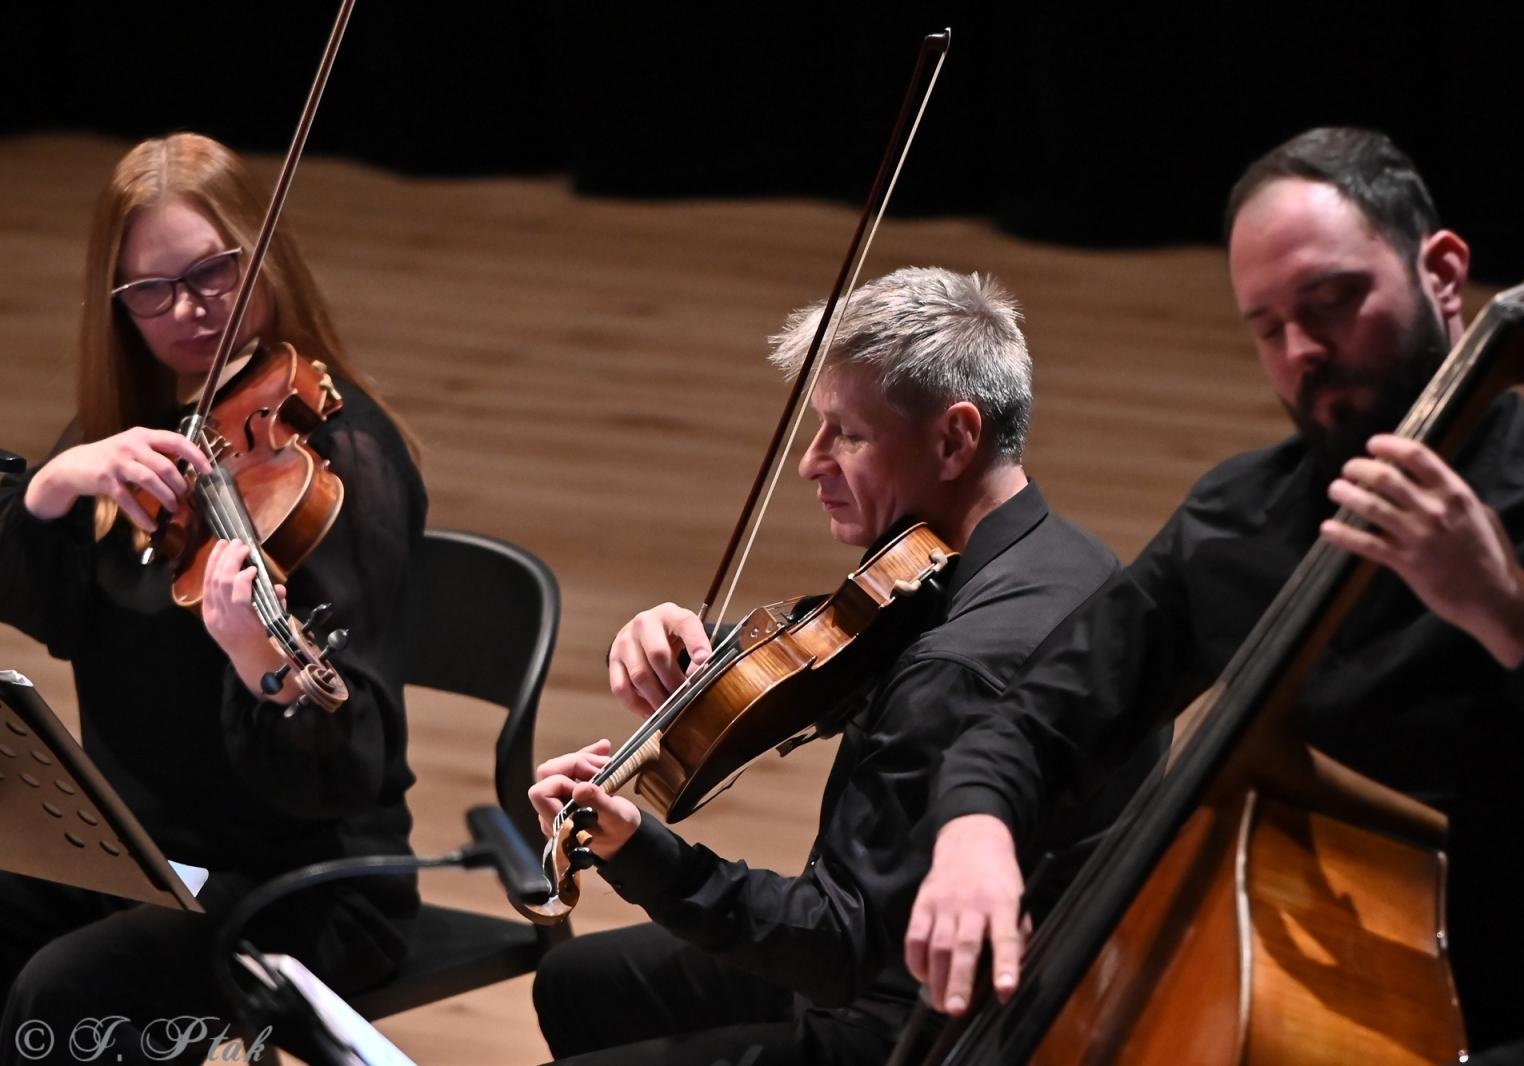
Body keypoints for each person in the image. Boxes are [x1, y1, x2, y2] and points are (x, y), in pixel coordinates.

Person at [905, 126, 1524, 1053]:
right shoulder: (1240, 520)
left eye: (1334, 301)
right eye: (1268, 327)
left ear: (1442, 271)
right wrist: (975, 828)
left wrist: (1511, 615)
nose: (1302, 350)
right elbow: (1038, 718)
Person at [527, 266, 1158, 1065]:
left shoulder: (958, 672)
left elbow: (835, 946)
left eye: (847, 434)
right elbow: (848, 645)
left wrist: (637, 848)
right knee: (580, 982)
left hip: (917, 1025)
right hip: (980, 971)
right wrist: (698, 645)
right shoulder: (1058, 561)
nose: (811, 462)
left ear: (956, 438)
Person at [0, 133, 426, 1063]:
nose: (189, 310)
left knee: (68, 993)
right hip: (143, 858)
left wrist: (261, 661)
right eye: (150, 290)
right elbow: (61, 613)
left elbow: (347, 769)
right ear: (115, 304)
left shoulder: (346, 465)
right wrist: (50, 488)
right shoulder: (132, 442)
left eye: (214, 274)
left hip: (305, 885)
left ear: (263, 257)